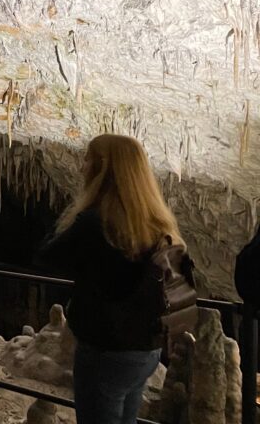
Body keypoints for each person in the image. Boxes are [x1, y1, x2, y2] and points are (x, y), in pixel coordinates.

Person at [38, 135, 184, 424]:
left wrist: (75, 213)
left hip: (105, 351)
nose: (82, 168)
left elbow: (46, 257)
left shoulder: (95, 224)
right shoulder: (159, 225)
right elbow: (182, 287)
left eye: (88, 159)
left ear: (104, 169)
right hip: (146, 352)